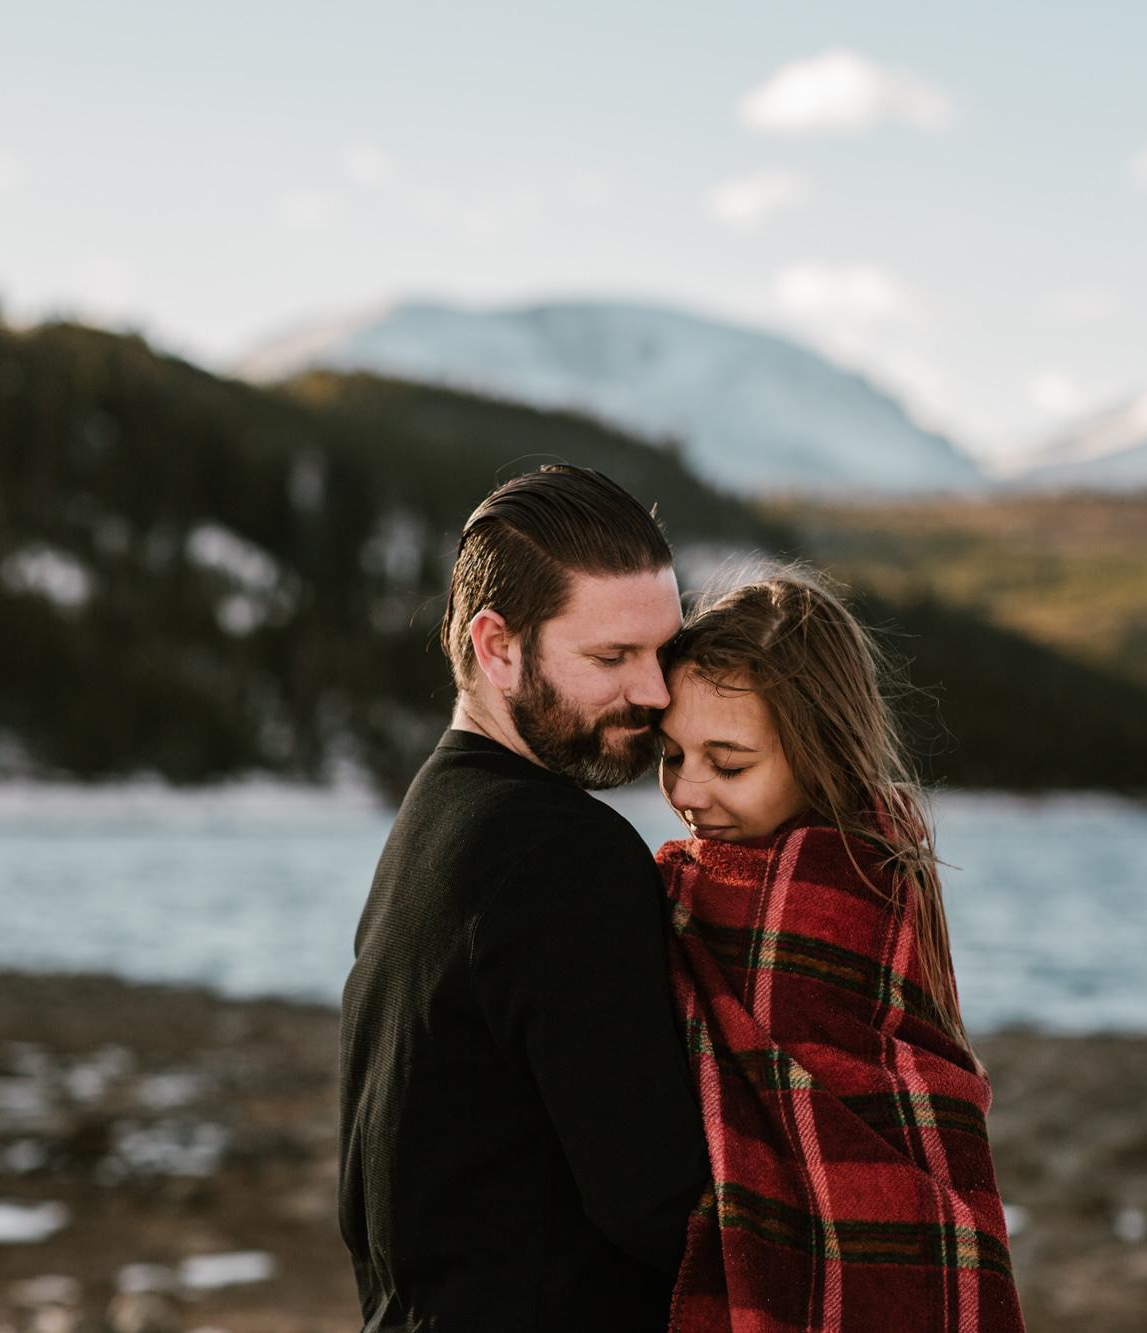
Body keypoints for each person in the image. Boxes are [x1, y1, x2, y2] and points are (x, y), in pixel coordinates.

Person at [337, 465, 710, 1332]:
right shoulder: (566, 853)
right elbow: (662, 1205)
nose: (655, 693)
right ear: (497, 646)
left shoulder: (433, 817)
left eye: (664, 651)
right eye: (611, 658)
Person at [654, 568, 1025, 1332]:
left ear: (819, 752)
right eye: (670, 755)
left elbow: (908, 1078)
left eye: (729, 764)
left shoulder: (871, 881)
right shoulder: (681, 891)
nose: (689, 790)